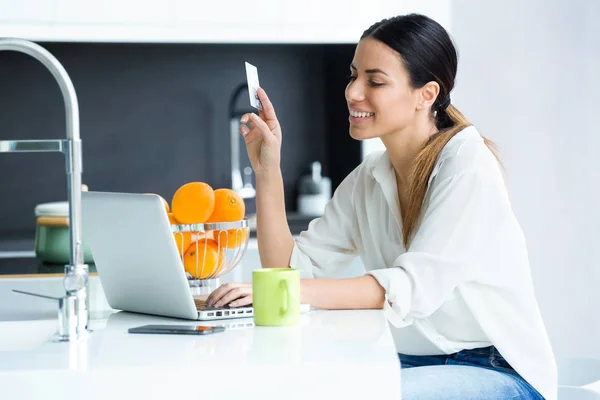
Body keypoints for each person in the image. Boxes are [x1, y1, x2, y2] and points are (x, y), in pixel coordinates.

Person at [206, 13, 557, 400]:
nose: (353, 92)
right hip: (406, 362)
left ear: (427, 94)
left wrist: (287, 289)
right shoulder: (370, 176)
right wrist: (268, 169)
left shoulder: (466, 163)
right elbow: (291, 272)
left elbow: (408, 288)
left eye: (375, 81)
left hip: (496, 370)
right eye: (353, 76)